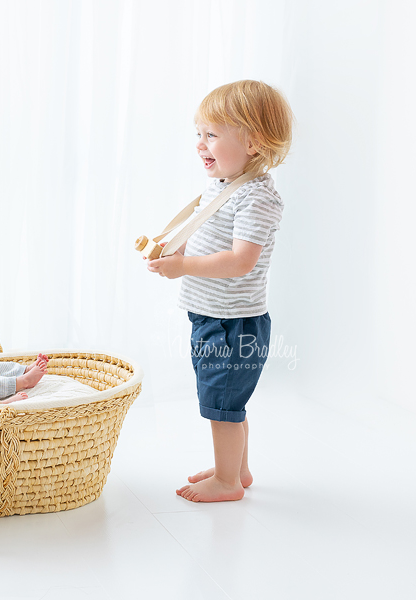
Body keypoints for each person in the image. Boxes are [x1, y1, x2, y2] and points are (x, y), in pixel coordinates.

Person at [145, 80, 293, 502]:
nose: (200, 144)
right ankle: (237, 469)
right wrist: (176, 247)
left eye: (211, 135)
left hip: (233, 325)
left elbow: (240, 260)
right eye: (199, 133)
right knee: (228, 401)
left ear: (254, 142)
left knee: (222, 405)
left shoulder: (256, 197)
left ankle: (227, 483)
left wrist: (182, 267)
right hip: (213, 318)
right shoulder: (225, 188)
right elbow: (208, 235)